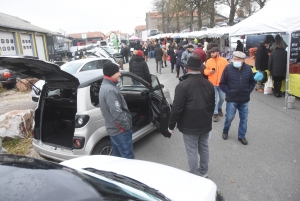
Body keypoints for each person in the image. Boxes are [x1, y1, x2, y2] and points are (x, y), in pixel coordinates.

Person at [168, 55, 215, 178]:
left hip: (189, 124)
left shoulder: (183, 86)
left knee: (192, 150)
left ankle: (193, 174)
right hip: (205, 122)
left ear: (187, 69)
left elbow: (176, 108)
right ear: (200, 69)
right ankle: (204, 171)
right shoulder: (208, 84)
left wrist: (170, 125)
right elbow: (212, 105)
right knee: (204, 147)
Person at [99, 62, 134, 159]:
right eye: (117, 72)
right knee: (128, 159)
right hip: (120, 132)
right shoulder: (110, 90)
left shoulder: (105, 86)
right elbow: (117, 113)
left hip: (115, 131)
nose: (120, 74)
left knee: (117, 159)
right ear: (111, 73)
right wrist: (126, 127)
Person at [219, 51, 255, 145]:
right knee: (229, 117)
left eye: (238, 59)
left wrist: (248, 90)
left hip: (244, 99)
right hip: (232, 99)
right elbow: (222, 83)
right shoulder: (228, 68)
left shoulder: (248, 69)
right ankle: (225, 131)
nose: (235, 61)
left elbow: (252, 82)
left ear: (243, 60)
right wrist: (229, 92)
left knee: (244, 119)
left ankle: (241, 136)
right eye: (234, 59)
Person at [204, 44, 228, 122]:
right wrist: (209, 72)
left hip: (222, 84)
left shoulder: (224, 61)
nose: (211, 54)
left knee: (222, 98)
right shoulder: (208, 61)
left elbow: (228, 71)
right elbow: (205, 71)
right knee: (214, 99)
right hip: (212, 83)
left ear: (218, 52)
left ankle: (219, 107)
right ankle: (215, 113)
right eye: (211, 53)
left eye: (213, 53)